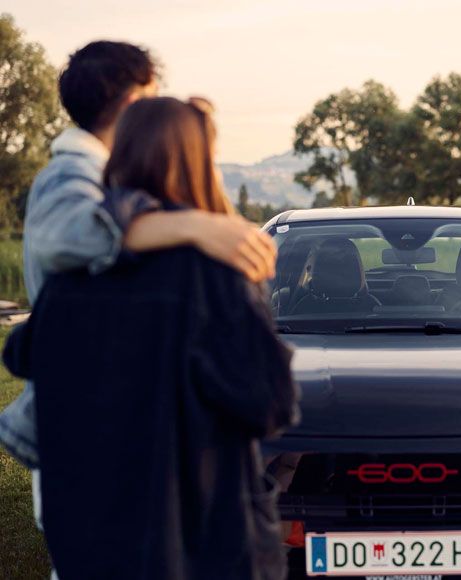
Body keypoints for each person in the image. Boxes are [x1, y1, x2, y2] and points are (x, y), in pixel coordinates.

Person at [4, 96, 298, 579]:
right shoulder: (217, 274)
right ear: (198, 162)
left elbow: (22, 355)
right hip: (201, 538)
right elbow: (270, 404)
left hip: (90, 539)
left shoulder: (74, 275)